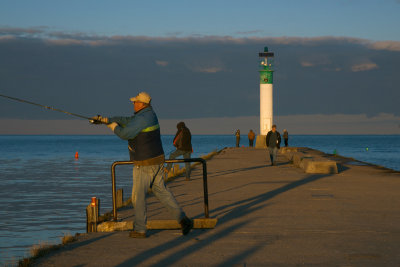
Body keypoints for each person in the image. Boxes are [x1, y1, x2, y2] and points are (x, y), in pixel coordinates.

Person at [91, 92, 193, 238]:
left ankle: (140, 229)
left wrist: (112, 126)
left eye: (135, 102)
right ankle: (183, 220)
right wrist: (106, 120)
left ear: (142, 104)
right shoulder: (147, 114)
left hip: (145, 163)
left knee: (137, 197)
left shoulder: (143, 118)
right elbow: (127, 120)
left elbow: (125, 134)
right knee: (162, 192)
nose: (133, 104)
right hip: (157, 160)